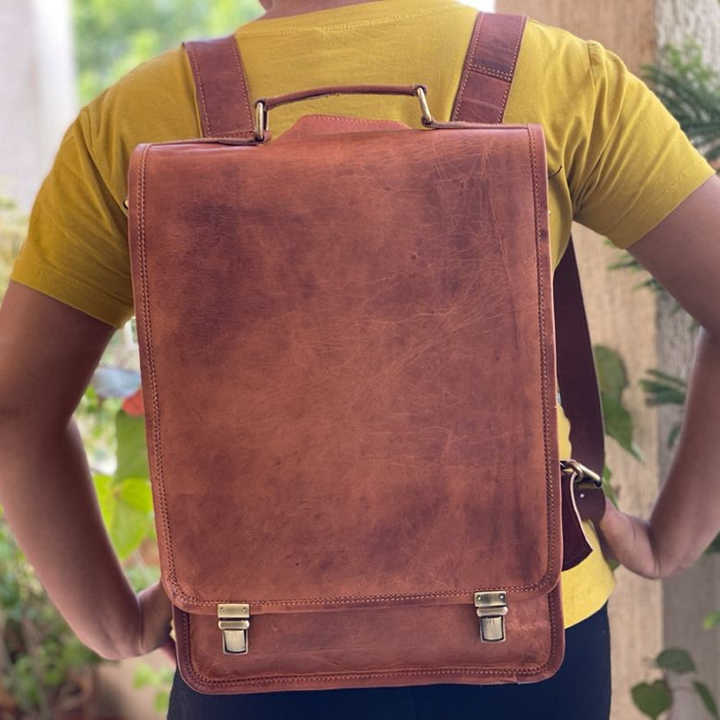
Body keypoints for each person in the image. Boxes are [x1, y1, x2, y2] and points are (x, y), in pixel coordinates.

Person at [0, 0, 718, 717]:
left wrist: (113, 624)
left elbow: (16, 411)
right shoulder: (560, 76)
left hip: (249, 640)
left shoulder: (133, 118)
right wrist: (671, 542)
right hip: (525, 632)